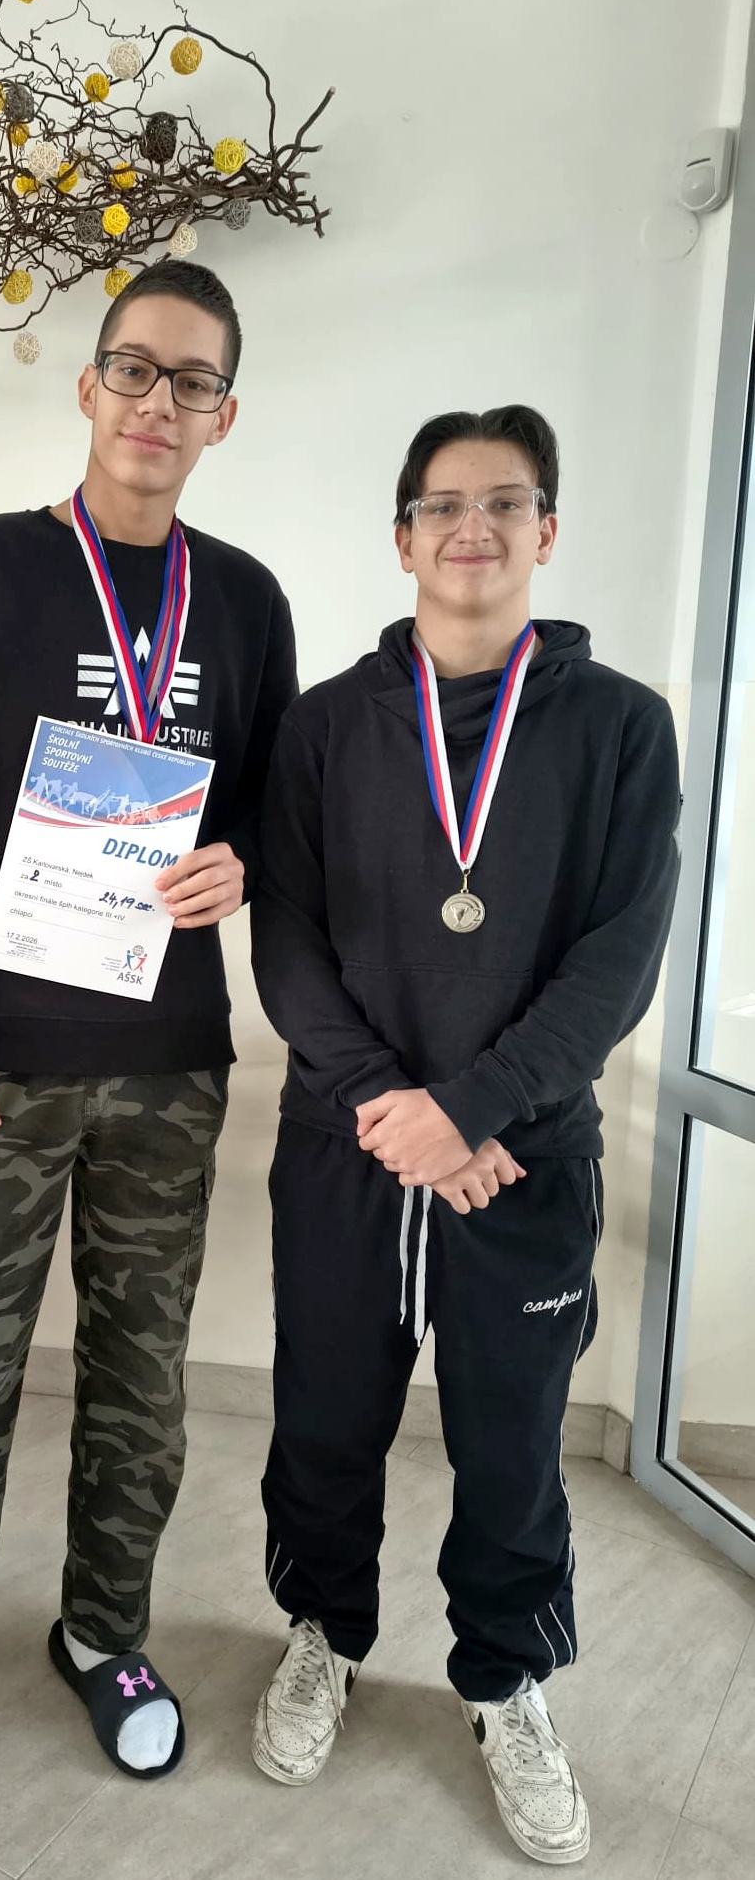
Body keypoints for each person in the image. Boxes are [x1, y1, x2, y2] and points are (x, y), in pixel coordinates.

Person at [0, 259, 298, 1779]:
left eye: (193, 380)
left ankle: (106, 1630)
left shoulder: (246, 600)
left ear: (224, 414)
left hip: (165, 1065)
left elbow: (272, 808)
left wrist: (244, 860)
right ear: (89, 384)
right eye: (135, 368)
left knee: (141, 1381)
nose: (158, 401)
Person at [249, 405, 680, 1864]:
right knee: (324, 1416)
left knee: (511, 1442)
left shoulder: (621, 726)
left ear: (546, 531)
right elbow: (288, 939)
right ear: (402, 538)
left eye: (504, 502)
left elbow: (618, 955)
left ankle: (503, 1678)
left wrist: (474, 1113)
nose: (471, 528)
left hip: (522, 1155)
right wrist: (404, 1114)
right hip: (349, 1145)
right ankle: (322, 1631)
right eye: (442, 504)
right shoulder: (323, 726)